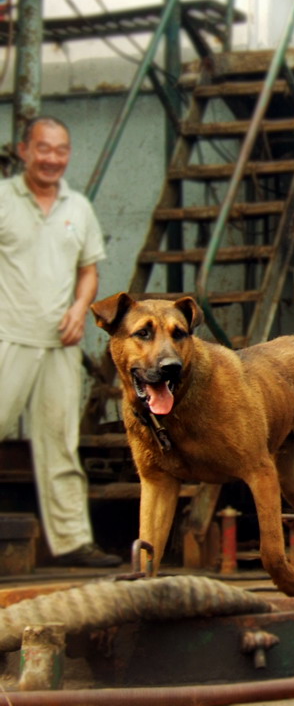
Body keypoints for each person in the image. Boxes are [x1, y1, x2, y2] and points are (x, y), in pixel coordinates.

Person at [0, 116, 121, 567]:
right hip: (7, 336)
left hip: (61, 342)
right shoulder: (4, 199)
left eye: (61, 150)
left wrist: (79, 308)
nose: (52, 158)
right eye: (43, 148)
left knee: (60, 442)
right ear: (24, 150)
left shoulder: (78, 207)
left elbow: (89, 269)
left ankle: (72, 541)